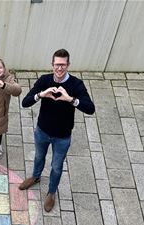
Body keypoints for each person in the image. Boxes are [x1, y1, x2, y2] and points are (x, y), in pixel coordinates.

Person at [20, 48, 95, 212]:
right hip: (42, 131)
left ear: (68, 65)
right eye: (56, 65)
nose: (59, 68)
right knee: (39, 156)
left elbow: (90, 108)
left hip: (62, 136)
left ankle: (51, 193)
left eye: (63, 65)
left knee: (56, 166)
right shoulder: (45, 81)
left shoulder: (76, 84)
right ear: (52, 65)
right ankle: (35, 176)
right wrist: (41, 94)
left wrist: (70, 99)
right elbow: (25, 102)